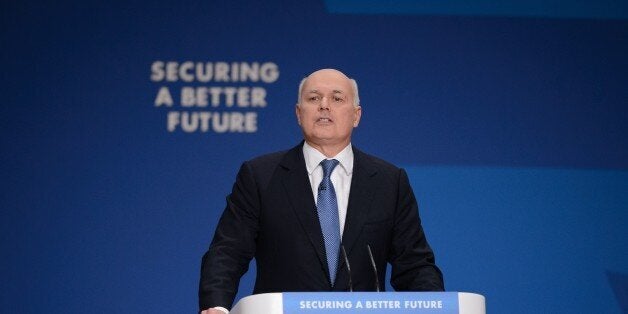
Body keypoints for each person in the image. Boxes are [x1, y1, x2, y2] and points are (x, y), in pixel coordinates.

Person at [199, 69, 444, 313]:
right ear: (298, 113)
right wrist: (216, 306)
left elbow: (414, 264)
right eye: (314, 98)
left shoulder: (389, 181)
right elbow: (228, 252)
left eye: (337, 98)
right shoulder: (260, 176)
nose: (324, 106)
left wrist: (437, 307)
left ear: (356, 115)